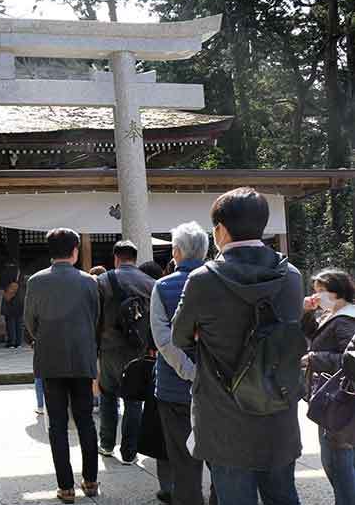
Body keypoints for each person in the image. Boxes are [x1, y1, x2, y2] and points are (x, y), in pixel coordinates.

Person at [173, 187, 303, 505]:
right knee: (283, 495)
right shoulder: (292, 276)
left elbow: (179, 337)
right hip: (278, 408)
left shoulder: (203, 279)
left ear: (220, 229)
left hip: (223, 415)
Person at [25, 228, 100, 502]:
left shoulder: (35, 281)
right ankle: (91, 480)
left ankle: (65, 486)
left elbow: (30, 322)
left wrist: (45, 337)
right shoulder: (89, 282)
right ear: (75, 251)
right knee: (85, 421)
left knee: (56, 425)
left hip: (49, 359)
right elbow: (96, 319)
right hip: (81, 357)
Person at [150, 221, 211, 505]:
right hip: (217, 388)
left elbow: (163, 340)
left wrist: (189, 372)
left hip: (175, 389)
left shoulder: (162, 287)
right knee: (221, 461)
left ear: (176, 251)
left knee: (184, 465)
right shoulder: (219, 282)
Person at [96, 240, 155, 464]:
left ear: (116, 258)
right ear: (135, 257)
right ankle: (130, 452)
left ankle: (107, 443)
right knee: (133, 401)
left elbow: (96, 317)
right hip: (138, 350)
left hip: (110, 347)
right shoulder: (150, 283)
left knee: (108, 396)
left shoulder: (102, 281)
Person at [302, 269, 355, 504]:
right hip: (330, 398)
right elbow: (309, 332)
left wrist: (315, 358)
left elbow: (349, 359)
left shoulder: (344, 320)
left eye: (322, 291)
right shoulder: (330, 315)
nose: (317, 296)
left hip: (339, 400)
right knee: (335, 461)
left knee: (337, 463)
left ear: (338, 292)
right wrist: (306, 312)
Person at [1, 279, 24, 349]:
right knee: (19, 326)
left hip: (11, 307)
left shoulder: (12, 285)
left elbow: (7, 297)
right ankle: (18, 343)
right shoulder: (22, 284)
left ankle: (12, 342)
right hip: (20, 307)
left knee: (11, 326)